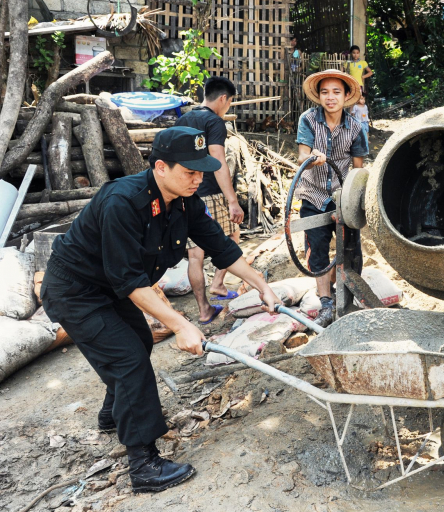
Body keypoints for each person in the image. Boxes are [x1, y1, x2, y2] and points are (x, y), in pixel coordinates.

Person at [40, 126, 281, 493]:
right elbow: (133, 283)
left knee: (138, 340)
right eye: (189, 171)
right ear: (160, 167)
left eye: (201, 171)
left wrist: (263, 284)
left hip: (110, 285)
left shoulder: (185, 201)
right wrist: (182, 324)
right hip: (76, 289)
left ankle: (112, 413)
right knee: (127, 359)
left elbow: (221, 247)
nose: (197, 179)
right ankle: (144, 465)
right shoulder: (124, 201)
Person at [296, 69, 368, 327]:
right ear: (319, 96)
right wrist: (312, 158)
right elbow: (301, 155)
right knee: (317, 248)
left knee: (350, 248)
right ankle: (326, 301)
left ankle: (348, 292)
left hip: (342, 195)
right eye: (325, 92)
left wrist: (354, 199)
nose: (330, 97)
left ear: (346, 95)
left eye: (336, 92)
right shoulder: (308, 119)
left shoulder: (356, 127)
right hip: (312, 193)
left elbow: (358, 169)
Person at [175, 76, 243, 325]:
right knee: (232, 238)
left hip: (186, 193)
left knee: (195, 255)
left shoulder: (184, 119)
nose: (228, 107)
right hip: (211, 193)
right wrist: (232, 200)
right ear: (224, 98)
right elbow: (218, 161)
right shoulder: (214, 121)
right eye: (230, 102)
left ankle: (205, 308)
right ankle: (218, 284)